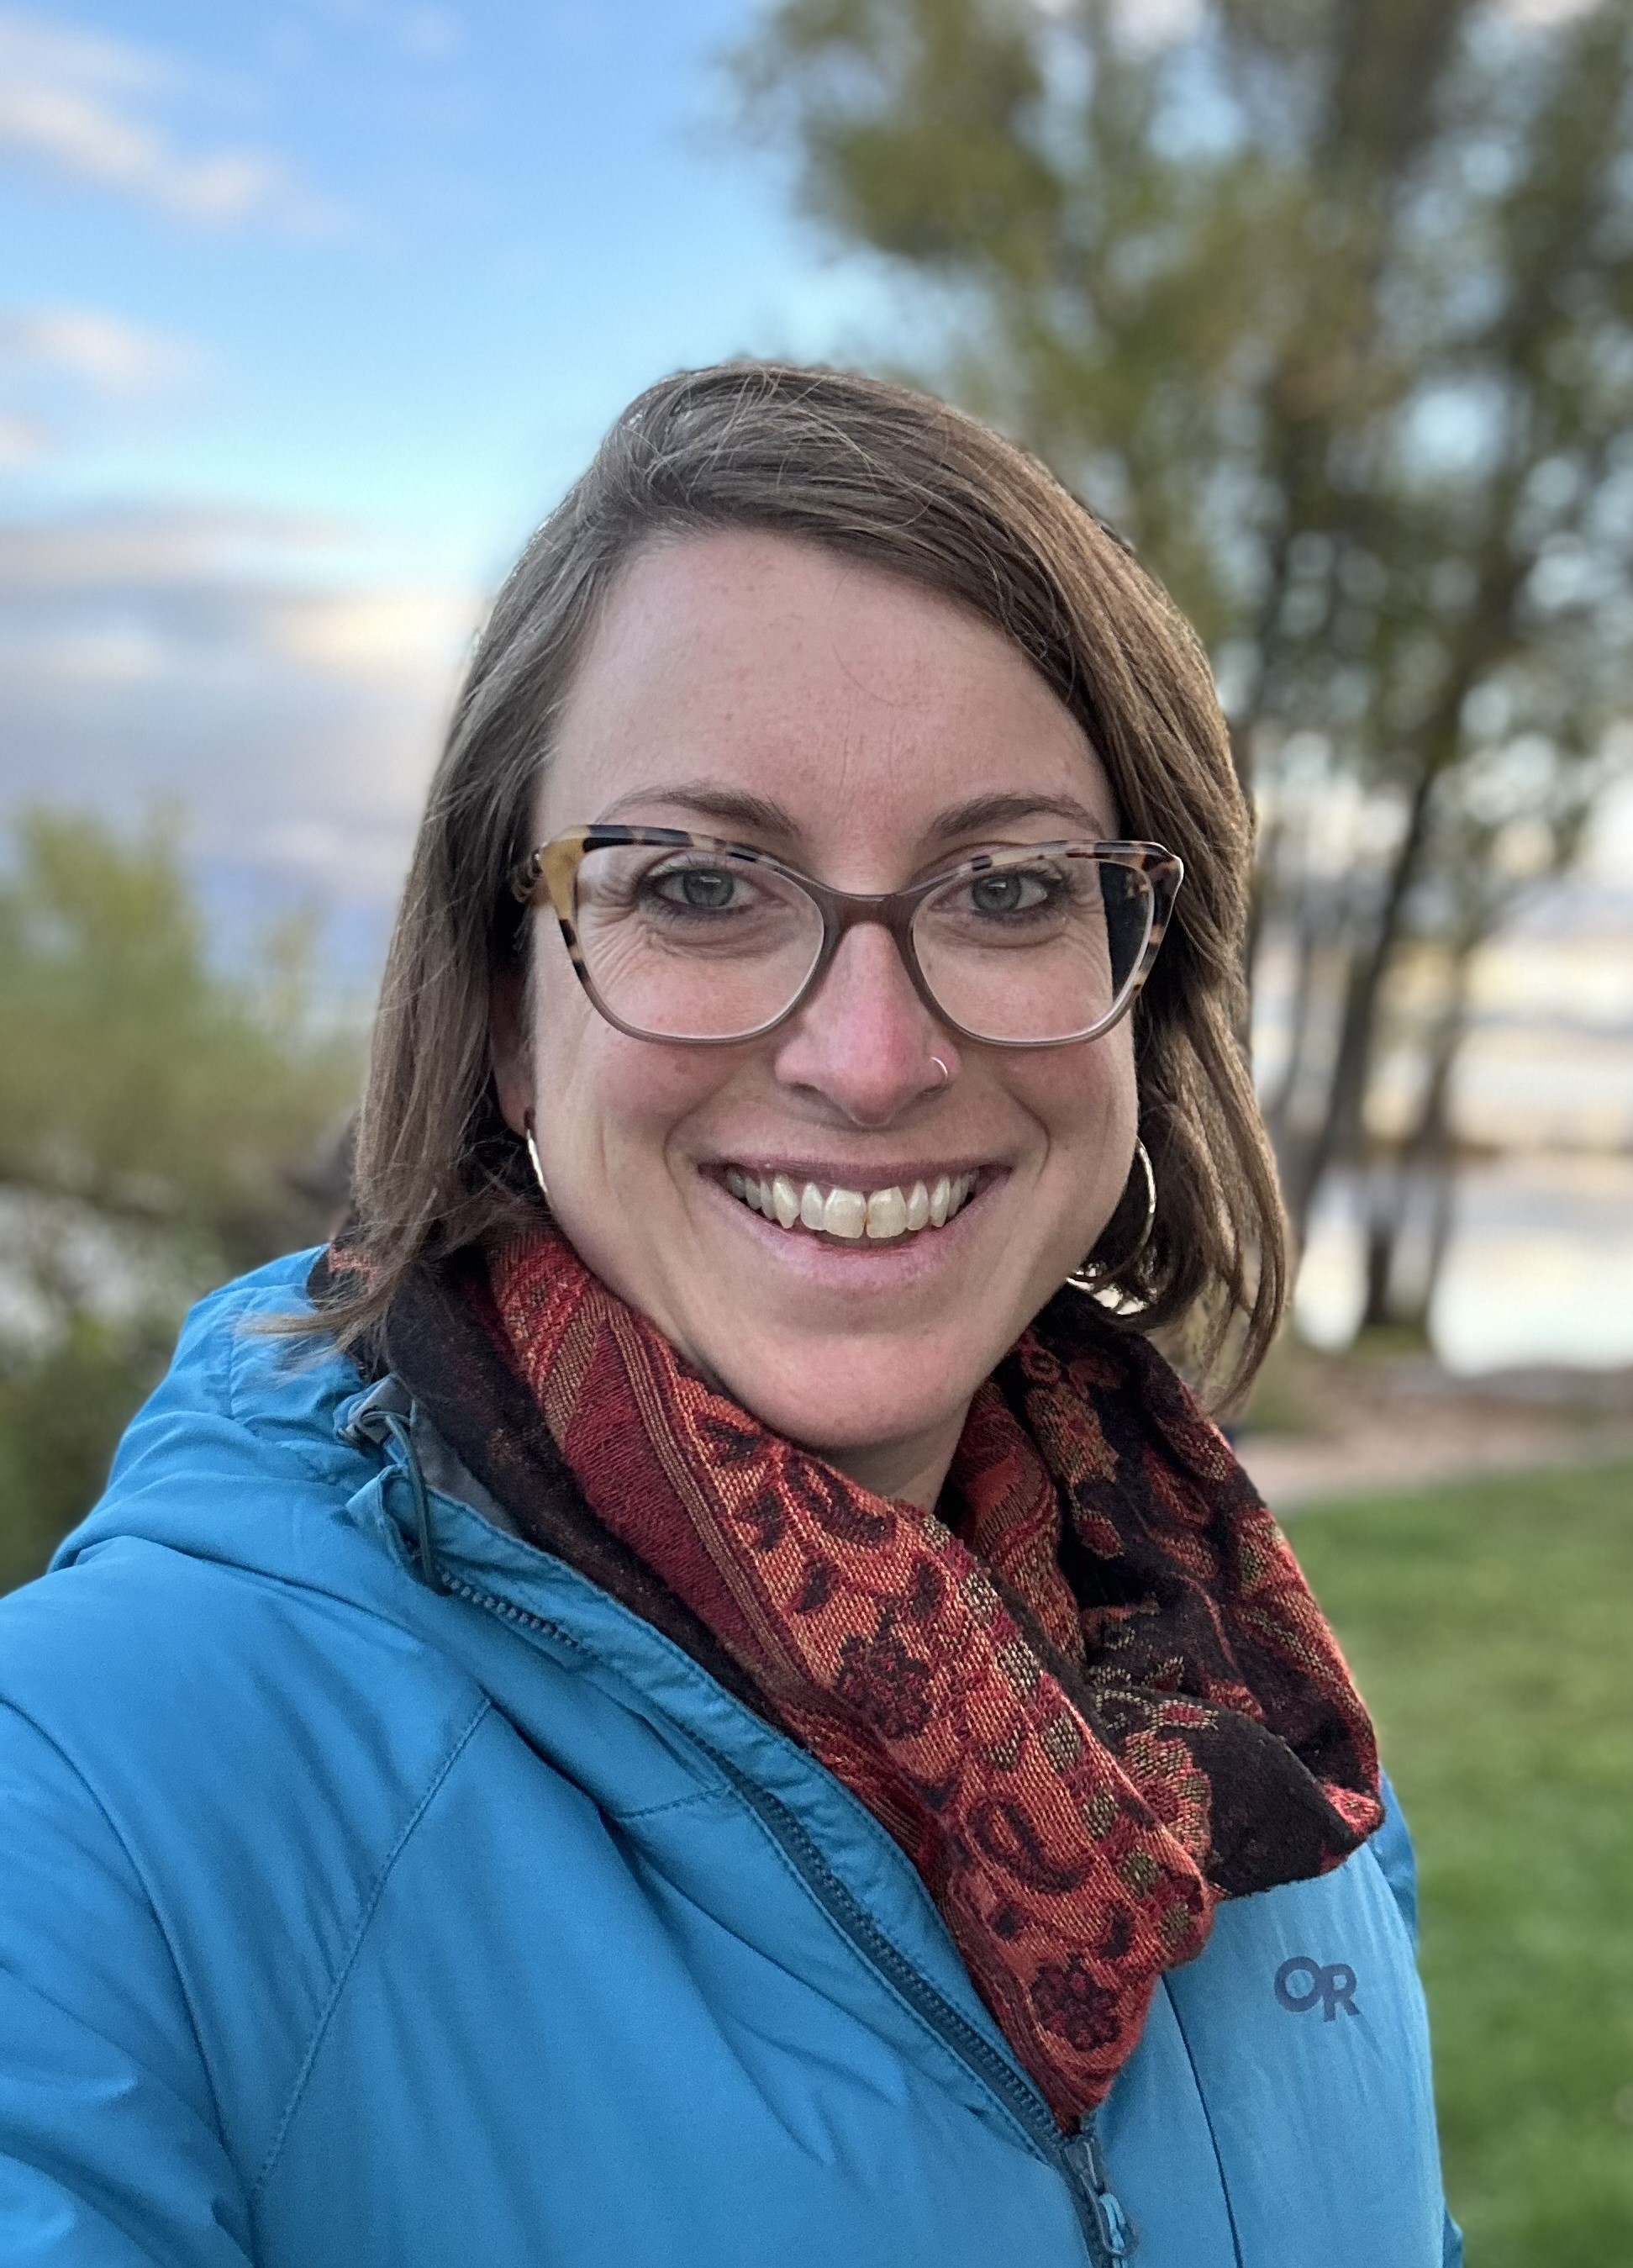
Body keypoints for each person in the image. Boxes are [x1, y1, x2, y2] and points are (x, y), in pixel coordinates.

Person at [0, 363, 1461, 2267]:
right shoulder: (99, 1806)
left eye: (1009, 884)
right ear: (508, 998)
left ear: (1137, 984)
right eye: (699, 883)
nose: (870, 1056)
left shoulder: (1254, 1734)